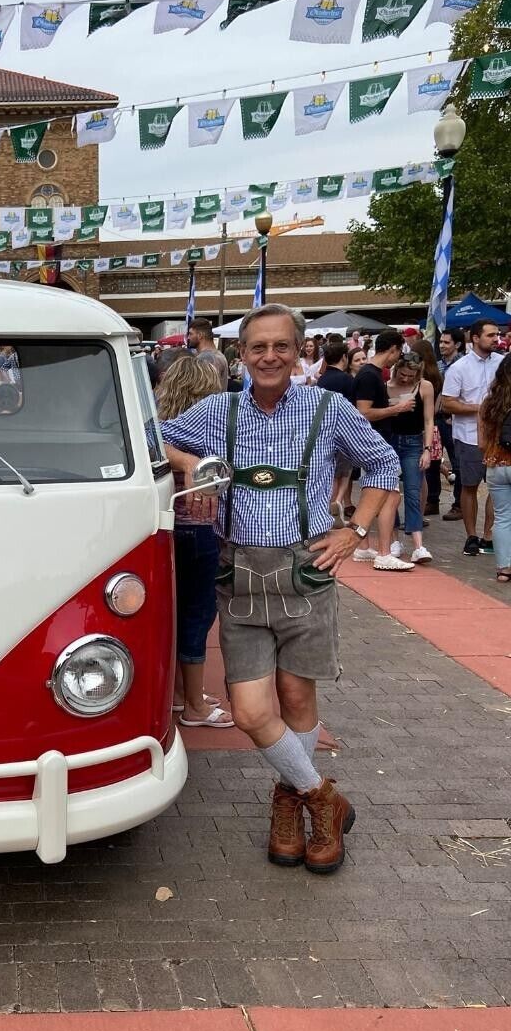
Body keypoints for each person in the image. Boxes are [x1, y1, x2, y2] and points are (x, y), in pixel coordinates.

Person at [161, 303, 400, 874]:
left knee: (296, 700)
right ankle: (324, 796)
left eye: (281, 347)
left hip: (307, 572)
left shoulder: (328, 406)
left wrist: (354, 530)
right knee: (248, 710)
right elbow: (145, 437)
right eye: (257, 347)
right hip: (239, 574)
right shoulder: (217, 410)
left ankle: (292, 807)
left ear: (298, 353)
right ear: (240, 355)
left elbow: (385, 464)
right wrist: (194, 463)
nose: (269, 357)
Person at [156, 357, 233, 730]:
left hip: (166, 530)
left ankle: (180, 693)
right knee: (198, 616)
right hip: (199, 531)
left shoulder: (159, 429)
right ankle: (195, 706)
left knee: (174, 614)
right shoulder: (209, 431)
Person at [353, 329, 414, 570]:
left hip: (375, 441)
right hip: (375, 442)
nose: (397, 359)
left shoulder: (371, 373)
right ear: (393, 350)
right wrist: (395, 409)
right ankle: (384, 551)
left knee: (374, 493)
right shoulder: (370, 375)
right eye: (398, 353)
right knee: (390, 495)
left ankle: (364, 546)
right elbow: (363, 412)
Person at [441, 320, 503, 557]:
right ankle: (471, 536)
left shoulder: (503, 364)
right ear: (475, 338)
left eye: (497, 334)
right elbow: (447, 403)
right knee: (469, 486)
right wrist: (481, 409)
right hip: (468, 437)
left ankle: (488, 535)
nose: (495, 339)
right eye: (490, 335)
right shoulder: (459, 368)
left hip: (499, 437)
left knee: (497, 488)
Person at [386, 352, 434, 563]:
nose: (405, 379)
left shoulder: (424, 386)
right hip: (390, 441)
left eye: (411, 375)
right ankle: (394, 539)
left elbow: (429, 419)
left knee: (413, 492)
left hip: (413, 443)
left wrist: (427, 449)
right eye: (403, 374)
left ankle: (418, 545)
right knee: (390, 492)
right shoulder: (386, 385)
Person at [479, 354, 511, 584]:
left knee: (502, 518)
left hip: (495, 464)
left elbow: (481, 442)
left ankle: (503, 568)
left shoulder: (489, 402)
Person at [318, 339, 356, 524]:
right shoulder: (347, 380)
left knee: (332, 471)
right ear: (344, 358)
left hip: (323, 432)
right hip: (343, 432)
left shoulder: (322, 380)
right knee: (343, 473)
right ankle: (336, 504)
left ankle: (333, 504)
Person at [407, 339, 444, 516]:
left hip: (416, 427)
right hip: (433, 426)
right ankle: (428, 504)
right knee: (428, 473)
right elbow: (437, 407)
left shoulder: (419, 379)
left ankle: (418, 512)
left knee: (417, 476)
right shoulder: (437, 375)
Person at [437, 328, 466, 518]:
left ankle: (459, 504)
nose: (441, 345)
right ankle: (432, 499)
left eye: (446, 342)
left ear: (457, 344)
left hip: (454, 420)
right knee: (433, 460)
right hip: (438, 417)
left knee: (457, 461)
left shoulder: (463, 365)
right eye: (441, 341)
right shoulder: (438, 365)